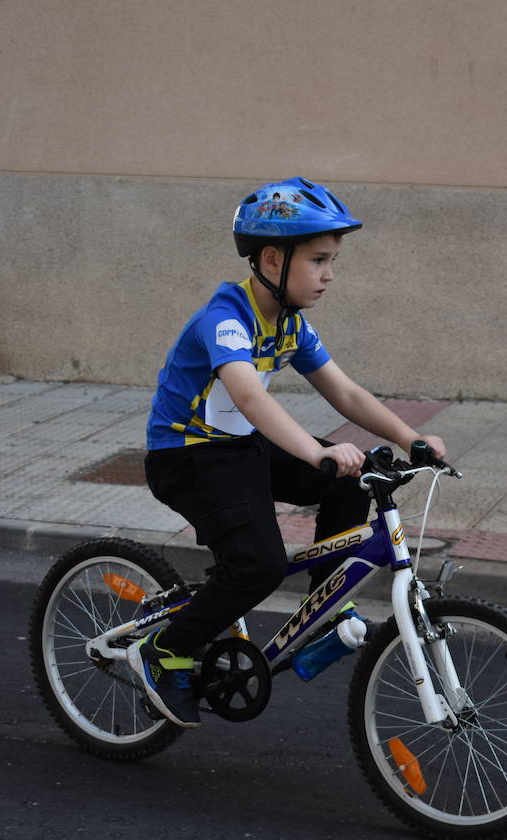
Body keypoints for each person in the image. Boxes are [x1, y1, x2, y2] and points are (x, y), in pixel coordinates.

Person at [130, 176, 446, 727]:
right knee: (259, 566)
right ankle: (163, 653)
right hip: (187, 457)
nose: (330, 275)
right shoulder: (224, 320)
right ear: (272, 260)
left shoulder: (291, 324)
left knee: (354, 478)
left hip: (239, 448)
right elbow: (250, 397)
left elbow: (344, 392)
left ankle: (324, 606)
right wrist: (316, 450)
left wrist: (408, 438)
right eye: (319, 260)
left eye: (333, 260)